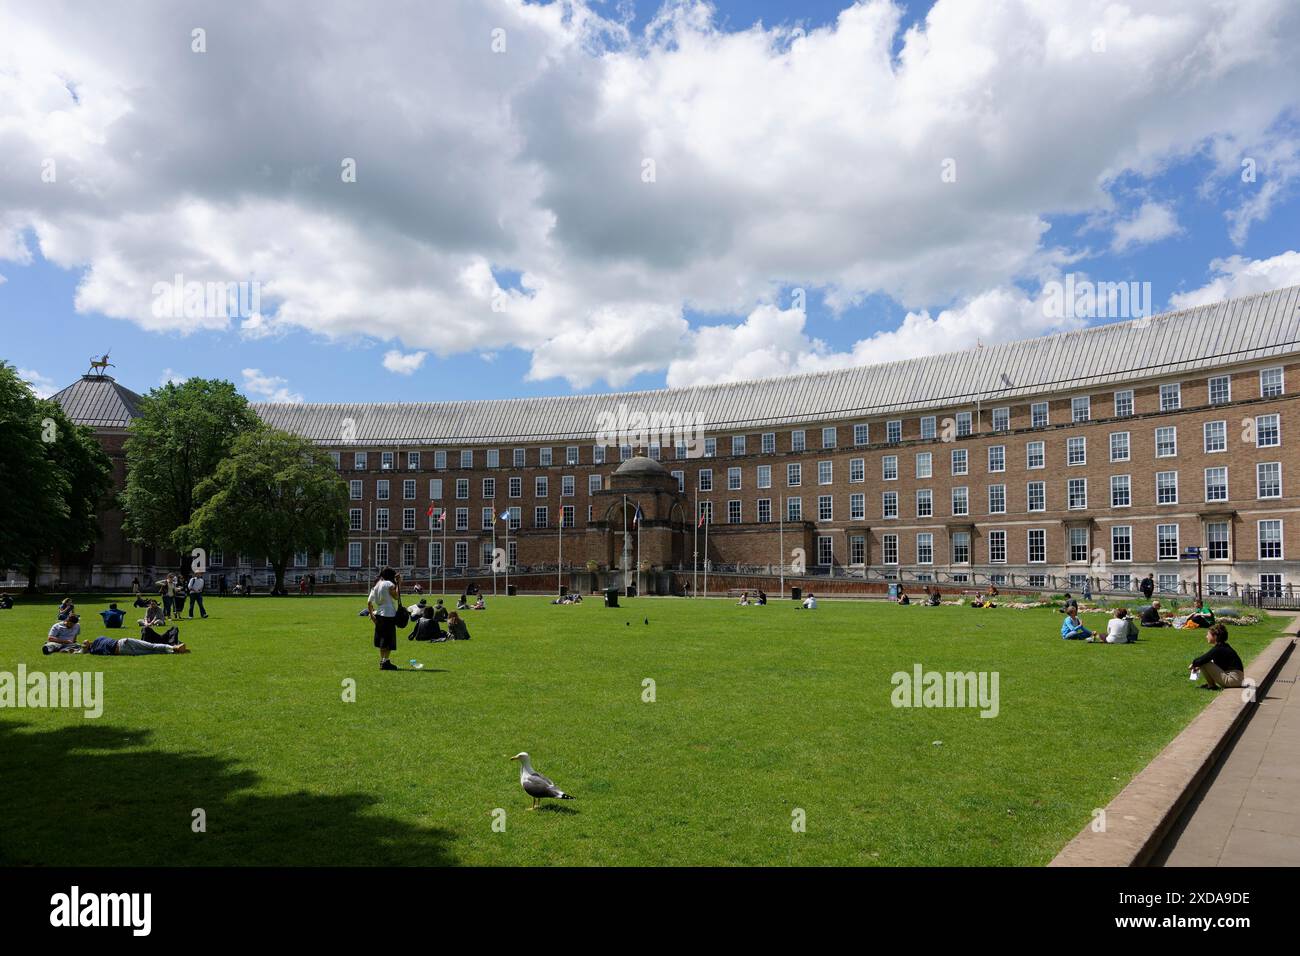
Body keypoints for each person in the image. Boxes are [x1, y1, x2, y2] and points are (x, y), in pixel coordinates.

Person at [1190, 624, 1244, 690]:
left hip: (1232, 680)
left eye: (1208, 634)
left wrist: (1193, 664)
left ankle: (1211, 686)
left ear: (1215, 636)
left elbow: (1202, 659)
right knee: (1204, 662)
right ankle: (1211, 685)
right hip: (1236, 680)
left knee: (1204, 662)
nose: (1206, 636)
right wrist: (1197, 665)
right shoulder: (1223, 646)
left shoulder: (1219, 648)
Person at [367, 567, 401, 671]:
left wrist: (372, 616)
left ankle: (382, 660)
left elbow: (369, 602)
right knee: (389, 639)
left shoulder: (376, 586)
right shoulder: (388, 584)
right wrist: (399, 583)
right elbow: (396, 597)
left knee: (382, 639)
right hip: (389, 613)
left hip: (379, 614)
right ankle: (386, 661)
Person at [82, 636, 189, 655]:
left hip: (124, 643)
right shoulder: (93, 651)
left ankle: (174, 648)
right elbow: (82, 651)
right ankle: (174, 650)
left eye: (85, 643)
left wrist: (86, 648)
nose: (85, 643)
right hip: (123, 650)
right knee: (151, 651)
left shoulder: (98, 639)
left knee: (151, 647)